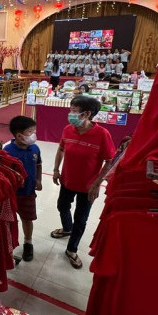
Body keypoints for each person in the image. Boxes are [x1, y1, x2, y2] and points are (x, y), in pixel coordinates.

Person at [50, 96, 115, 269]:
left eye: (74, 110)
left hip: (88, 187)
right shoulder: (68, 129)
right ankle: (67, 228)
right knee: (62, 206)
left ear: (87, 114)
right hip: (67, 180)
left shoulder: (102, 134)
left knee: (81, 218)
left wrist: (97, 184)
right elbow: (61, 149)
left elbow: (110, 160)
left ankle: (72, 249)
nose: (70, 114)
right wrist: (56, 170)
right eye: (70, 109)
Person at [4, 116, 42, 262]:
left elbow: (38, 164)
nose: (34, 135)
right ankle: (10, 244)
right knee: (11, 220)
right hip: (13, 194)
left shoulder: (35, 148)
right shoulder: (8, 151)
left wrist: (38, 180)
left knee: (27, 218)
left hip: (28, 192)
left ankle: (28, 242)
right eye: (31, 132)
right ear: (19, 135)